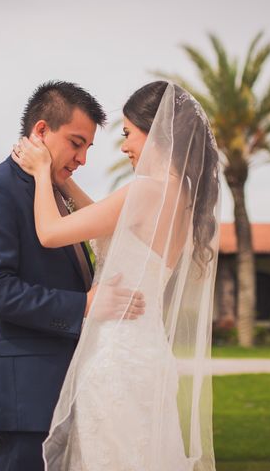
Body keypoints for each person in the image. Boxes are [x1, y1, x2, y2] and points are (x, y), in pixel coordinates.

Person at [12, 81, 221, 470]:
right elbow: (105, 222)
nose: (124, 146)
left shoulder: (145, 190)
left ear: (158, 131)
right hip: (147, 353)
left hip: (117, 354)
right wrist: (63, 180)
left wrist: (42, 174)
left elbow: (50, 232)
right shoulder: (180, 196)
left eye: (128, 133)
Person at [0, 81, 146, 471]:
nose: (82, 159)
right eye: (76, 143)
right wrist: (85, 305)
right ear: (41, 131)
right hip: (28, 399)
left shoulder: (57, 191)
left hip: (82, 390)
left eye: (88, 148)